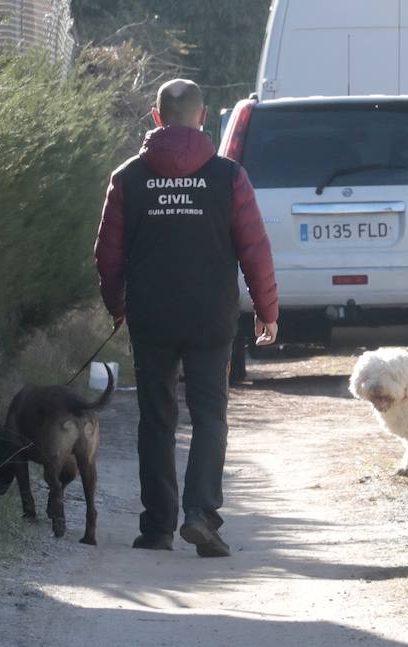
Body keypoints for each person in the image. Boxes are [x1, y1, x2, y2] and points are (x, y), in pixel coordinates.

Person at [94, 79, 279, 557]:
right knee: (209, 414)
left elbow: (108, 256)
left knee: (156, 418)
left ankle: (156, 526)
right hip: (210, 317)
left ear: (157, 118)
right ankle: (201, 515)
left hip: (151, 315)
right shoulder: (228, 176)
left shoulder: (128, 178)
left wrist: (117, 306)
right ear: (202, 117)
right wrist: (266, 310)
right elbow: (254, 248)